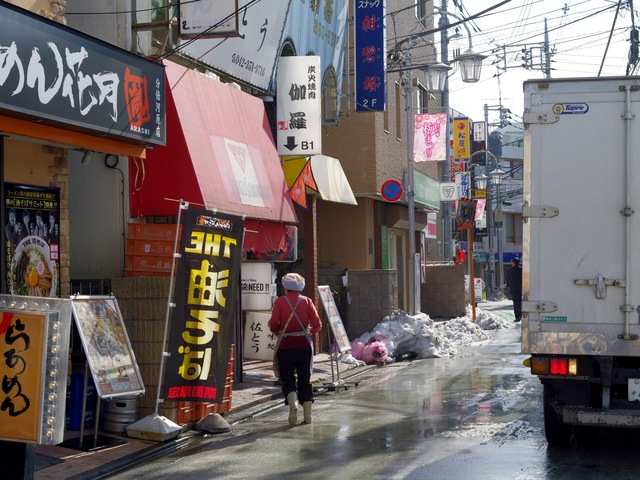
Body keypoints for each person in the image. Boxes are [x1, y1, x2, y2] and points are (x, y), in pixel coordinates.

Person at [268, 273, 322, 426]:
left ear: (285, 287)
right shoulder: (307, 301)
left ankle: (293, 405)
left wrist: (280, 333)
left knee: (288, 378)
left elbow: (273, 324)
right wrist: (309, 332)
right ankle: (308, 416)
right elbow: (317, 324)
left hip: (285, 346)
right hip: (304, 346)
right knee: (305, 379)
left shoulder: (280, 302)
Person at [506, 257, 523, 322]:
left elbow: (507, 279)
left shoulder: (510, 270)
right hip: (522, 289)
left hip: (514, 289)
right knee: (522, 303)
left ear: (513, 262)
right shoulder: (522, 270)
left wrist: (508, 286)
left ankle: (517, 317)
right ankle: (522, 315)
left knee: (516, 303)